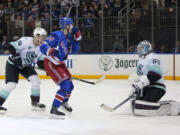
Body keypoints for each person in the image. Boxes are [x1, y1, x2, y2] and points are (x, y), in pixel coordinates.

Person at [40, 17, 81, 118]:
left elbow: (75, 50)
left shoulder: (68, 38)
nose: (73, 26)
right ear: (66, 26)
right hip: (51, 62)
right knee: (65, 86)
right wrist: (50, 51)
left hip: (60, 63)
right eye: (71, 24)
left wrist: (77, 37)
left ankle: (63, 103)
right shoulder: (57, 34)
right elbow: (43, 46)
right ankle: (54, 108)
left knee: (70, 86)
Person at [0, 27, 47, 114]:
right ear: (36, 36)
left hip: (25, 66)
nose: (44, 39)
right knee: (11, 85)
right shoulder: (26, 40)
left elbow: (40, 63)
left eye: (44, 37)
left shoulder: (42, 47)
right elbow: (10, 46)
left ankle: (35, 103)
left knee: (36, 81)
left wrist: (48, 69)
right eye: (42, 37)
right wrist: (17, 58)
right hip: (13, 64)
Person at [128, 40, 180, 116]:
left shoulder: (153, 56)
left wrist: (141, 83)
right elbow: (141, 78)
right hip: (145, 88)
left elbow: (156, 74)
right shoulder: (141, 60)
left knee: (141, 107)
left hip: (156, 88)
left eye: (141, 48)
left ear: (146, 48)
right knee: (135, 105)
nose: (138, 50)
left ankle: (172, 107)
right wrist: (135, 88)